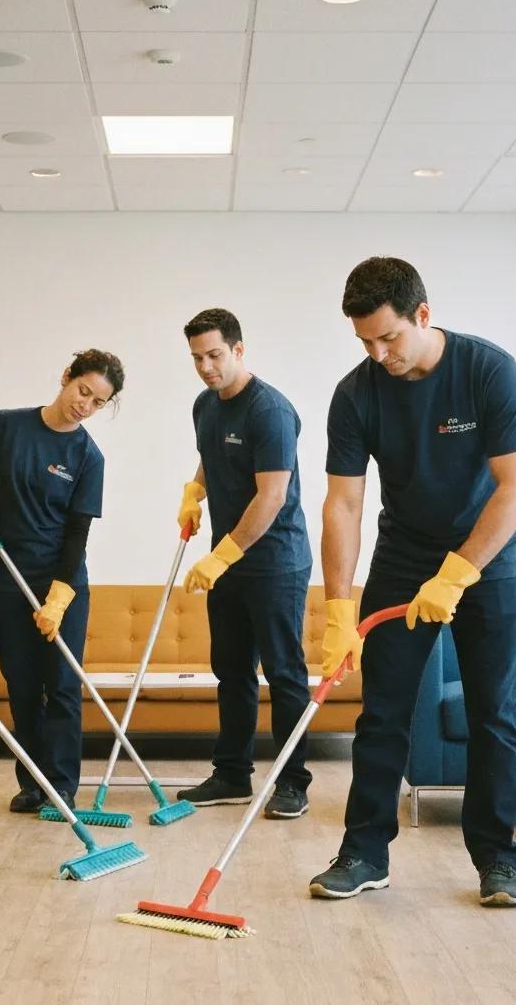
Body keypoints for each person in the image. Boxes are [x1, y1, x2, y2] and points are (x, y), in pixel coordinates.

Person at [309, 256, 516, 907]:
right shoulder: (356, 395)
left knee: (494, 715)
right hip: (404, 559)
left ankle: (497, 861)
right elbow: (343, 506)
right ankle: (364, 853)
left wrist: (461, 571)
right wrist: (336, 612)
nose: (380, 354)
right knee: (381, 713)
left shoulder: (487, 371)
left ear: (423, 316)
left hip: (488, 562)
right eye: (366, 342)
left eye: (390, 338)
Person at [0, 350, 124, 813]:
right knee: (22, 687)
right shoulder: (9, 426)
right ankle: (32, 781)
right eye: (83, 391)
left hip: (62, 584)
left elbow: (77, 533)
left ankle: (62, 785)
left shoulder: (88, 456)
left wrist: (61, 595)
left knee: (61, 685)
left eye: (98, 402)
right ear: (66, 377)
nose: (85, 405)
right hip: (6, 579)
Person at [174, 309, 313, 819]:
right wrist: (195, 491)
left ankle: (293, 782)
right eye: (196, 358)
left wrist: (221, 556)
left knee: (284, 673)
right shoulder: (204, 406)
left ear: (238, 349)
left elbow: (272, 496)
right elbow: (210, 459)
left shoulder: (270, 410)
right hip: (227, 561)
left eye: (214, 355)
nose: (206, 367)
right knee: (231, 671)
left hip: (276, 562)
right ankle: (232, 774)